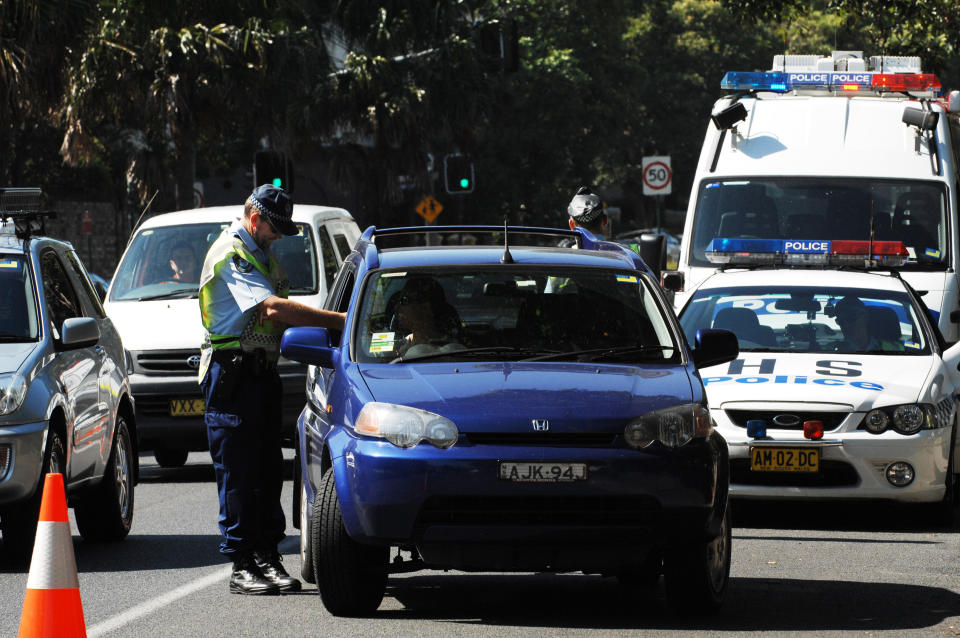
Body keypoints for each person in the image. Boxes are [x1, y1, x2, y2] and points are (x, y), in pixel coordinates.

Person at [197, 184, 346, 595]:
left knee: (266, 470)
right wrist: (342, 321)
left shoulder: (262, 254)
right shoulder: (232, 253)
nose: (278, 237)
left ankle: (266, 555)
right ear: (254, 218)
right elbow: (273, 309)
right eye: (273, 228)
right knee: (238, 473)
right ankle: (241, 562)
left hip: (261, 374)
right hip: (232, 375)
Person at [392, 277, 463, 358]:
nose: (397, 308)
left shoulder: (453, 351)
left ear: (426, 307)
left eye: (404, 301)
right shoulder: (403, 344)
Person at [832, 296, 903, 352]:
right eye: (841, 321)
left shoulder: (896, 349)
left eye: (851, 318)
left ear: (865, 317)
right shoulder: (830, 350)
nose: (846, 325)